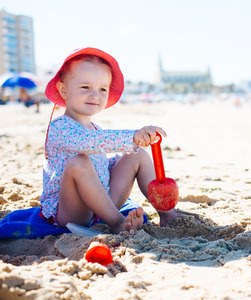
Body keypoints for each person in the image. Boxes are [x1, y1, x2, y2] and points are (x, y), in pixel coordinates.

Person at [40, 47, 187, 233]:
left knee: (136, 155)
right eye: (85, 87)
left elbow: (99, 162)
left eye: (102, 89)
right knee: (79, 162)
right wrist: (132, 136)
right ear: (63, 90)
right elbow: (88, 142)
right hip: (71, 212)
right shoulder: (60, 127)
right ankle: (118, 223)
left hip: (102, 204)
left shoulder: (96, 129)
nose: (95, 94)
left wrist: (118, 159)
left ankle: (167, 213)